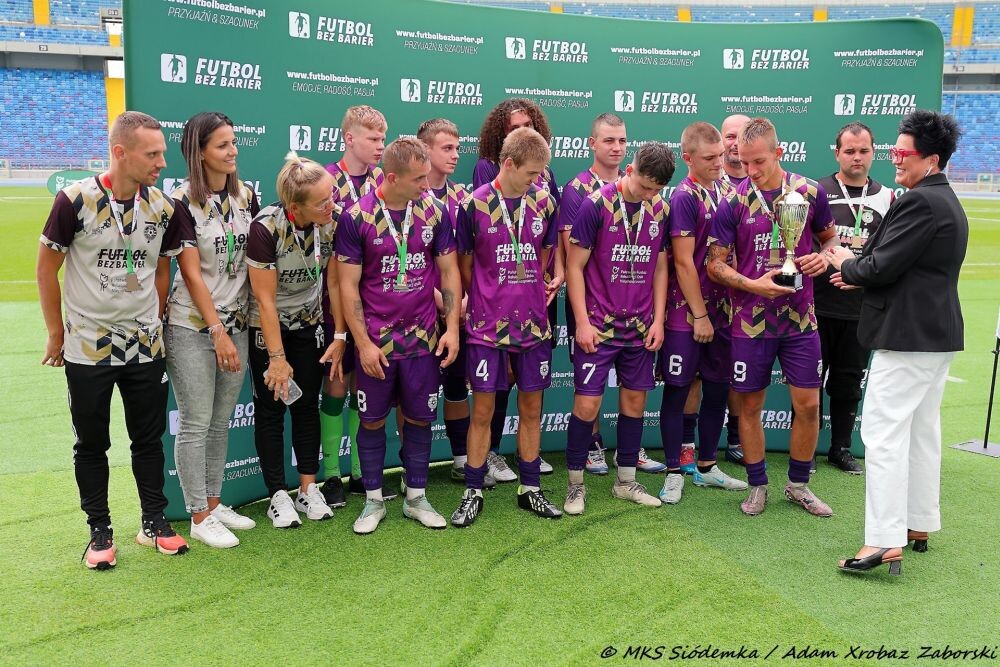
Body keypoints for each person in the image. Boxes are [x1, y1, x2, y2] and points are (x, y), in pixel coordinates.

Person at [38, 111, 189, 569]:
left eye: (163, 153)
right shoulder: (74, 200)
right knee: (92, 444)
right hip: (88, 345)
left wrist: (152, 318)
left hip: (145, 343)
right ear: (120, 153)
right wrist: (56, 333)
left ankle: (154, 522)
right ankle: (99, 530)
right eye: (152, 154)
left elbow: (162, 268)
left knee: (148, 440)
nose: (162, 162)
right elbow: (46, 270)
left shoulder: (164, 206)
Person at [828, 110, 967, 574]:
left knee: (883, 435)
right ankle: (918, 522)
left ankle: (883, 539)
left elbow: (882, 265)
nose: (895, 158)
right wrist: (859, 271)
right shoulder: (943, 198)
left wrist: (846, 264)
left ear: (931, 159)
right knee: (922, 431)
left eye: (903, 152)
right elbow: (903, 266)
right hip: (935, 335)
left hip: (907, 336)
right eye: (894, 150)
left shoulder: (920, 201)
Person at [707, 117, 838, 518]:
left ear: (779, 153)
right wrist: (752, 284)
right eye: (743, 161)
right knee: (749, 407)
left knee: (809, 405)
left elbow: (831, 238)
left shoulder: (809, 192)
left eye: (759, 161)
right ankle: (757, 485)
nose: (750, 170)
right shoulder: (733, 201)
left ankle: (798, 486)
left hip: (801, 320)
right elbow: (715, 264)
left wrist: (823, 257)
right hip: (751, 321)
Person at [337, 137, 462, 534]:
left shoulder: (435, 211)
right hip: (377, 343)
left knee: (420, 420)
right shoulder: (356, 217)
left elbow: (449, 273)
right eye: (418, 179)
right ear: (392, 178)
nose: (427, 185)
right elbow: (347, 286)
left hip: (423, 340)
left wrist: (452, 329)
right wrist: (362, 344)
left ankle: (416, 498)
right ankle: (373, 501)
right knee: (372, 421)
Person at [452, 127, 563, 526]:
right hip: (486, 327)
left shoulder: (545, 203)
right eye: (532, 173)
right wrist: (486, 297)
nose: (538, 179)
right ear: (510, 164)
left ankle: (530, 488)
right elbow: (466, 266)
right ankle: (473, 490)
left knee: (531, 408)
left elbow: (543, 257)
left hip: (533, 326)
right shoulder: (474, 205)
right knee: (483, 410)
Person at [562, 142, 675, 515]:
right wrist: (581, 322)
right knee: (587, 403)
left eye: (655, 190)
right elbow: (574, 267)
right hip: (599, 325)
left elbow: (661, 267)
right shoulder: (595, 205)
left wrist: (658, 319)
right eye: (643, 186)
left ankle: (626, 481)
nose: (648, 195)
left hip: (640, 326)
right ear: (630, 170)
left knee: (635, 402)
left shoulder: (661, 209)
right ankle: (575, 486)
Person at [164, 111, 261, 548]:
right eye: (222, 145)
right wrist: (217, 329)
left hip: (235, 324)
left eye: (234, 142)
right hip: (193, 326)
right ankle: (198, 514)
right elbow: (191, 274)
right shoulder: (181, 202)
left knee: (220, 422)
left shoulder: (246, 196)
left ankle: (215, 502)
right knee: (196, 422)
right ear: (199, 152)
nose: (233, 151)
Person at [245, 153, 345, 528]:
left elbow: (335, 282)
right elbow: (265, 300)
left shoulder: (332, 222)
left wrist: (339, 335)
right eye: (321, 202)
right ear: (295, 206)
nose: (330, 205)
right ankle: (277, 495)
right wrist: (276, 357)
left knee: (306, 407)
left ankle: (307, 488)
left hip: (310, 324)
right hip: (267, 327)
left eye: (331, 195)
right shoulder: (265, 228)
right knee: (272, 410)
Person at [659, 122, 748, 505]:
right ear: (688, 158)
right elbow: (682, 262)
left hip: (724, 310)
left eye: (720, 156)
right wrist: (699, 315)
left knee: (717, 388)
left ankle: (708, 466)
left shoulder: (728, 191)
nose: (718, 162)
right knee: (678, 389)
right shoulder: (683, 196)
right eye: (709, 157)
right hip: (687, 314)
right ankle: (673, 472)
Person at [473, 98, 560, 481]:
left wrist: (548, 275)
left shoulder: (544, 181)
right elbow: (475, 255)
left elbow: (546, 242)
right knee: (494, 389)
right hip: (492, 307)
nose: (524, 131)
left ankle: (528, 471)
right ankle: (488, 457)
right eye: (515, 126)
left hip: (531, 302)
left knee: (530, 391)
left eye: (529, 125)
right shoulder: (483, 178)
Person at [321, 105, 392, 505]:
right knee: (336, 380)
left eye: (383, 139)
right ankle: (332, 474)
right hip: (334, 294)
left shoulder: (384, 179)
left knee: (367, 382)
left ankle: (362, 472)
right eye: (373, 138)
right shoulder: (326, 179)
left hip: (378, 298)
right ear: (349, 138)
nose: (380, 146)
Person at [415, 118, 491, 486]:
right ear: (424, 149)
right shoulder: (408, 197)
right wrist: (438, 299)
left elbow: (472, 257)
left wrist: (463, 301)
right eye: (447, 148)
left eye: (458, 148)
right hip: (417, 309)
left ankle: (462, 459)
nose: (456, 155)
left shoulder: (463, 198)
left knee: (458, 385)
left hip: (459, 310)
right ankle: (412, 468)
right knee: (415, 393)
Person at [815, 122, 893, 475]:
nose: (856, 157)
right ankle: (805, 449)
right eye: (849, 151)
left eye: (863, 151)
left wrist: (862, 277)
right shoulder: (818, 191)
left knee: (848, 383)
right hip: (818, 304)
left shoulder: (888, 198)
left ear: (874, 152)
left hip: (859, 309)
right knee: (808, 380)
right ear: (837, 153)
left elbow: (890, 254)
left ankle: (841, 448)